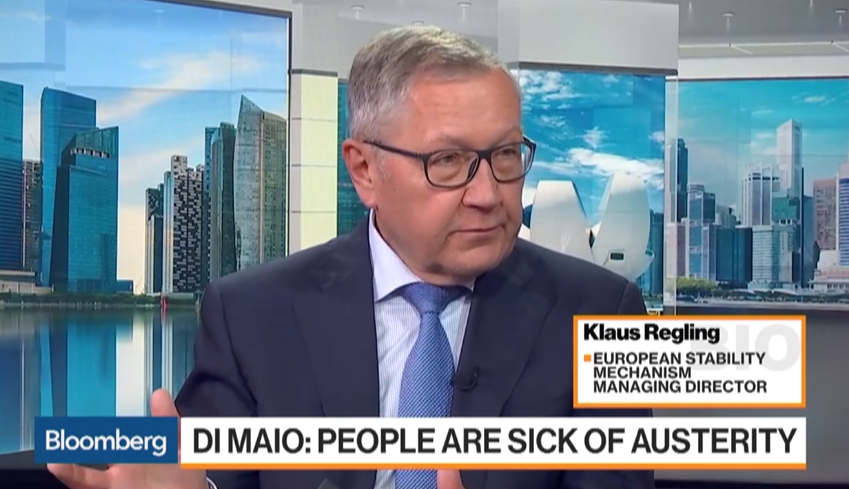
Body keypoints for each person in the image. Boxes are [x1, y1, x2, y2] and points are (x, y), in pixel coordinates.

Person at [47, 25, 653, 489]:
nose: (488, 193)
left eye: (505, 155)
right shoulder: (251, 314)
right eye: (447, 162)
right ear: (364, 170)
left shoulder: (602, 312)